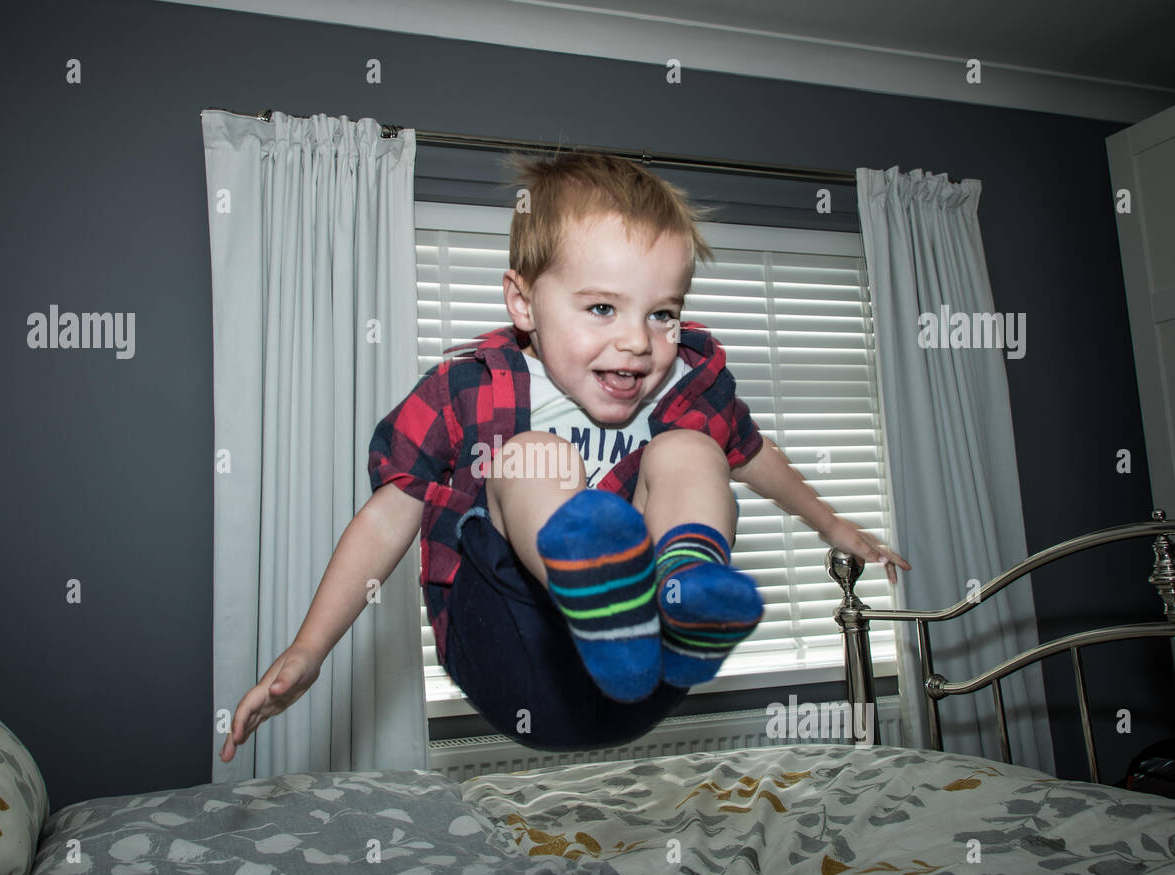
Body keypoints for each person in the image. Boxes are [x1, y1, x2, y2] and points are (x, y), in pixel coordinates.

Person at [219, 152, 910, 762]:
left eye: (661, 313)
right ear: (523, 300)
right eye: (603, 308)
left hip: (649, 678)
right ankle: (598, 595)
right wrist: (309, 649)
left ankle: (681, 587)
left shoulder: (683, 384)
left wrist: (832, 525)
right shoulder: (470, 392)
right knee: (531, 456)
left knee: (694, 446)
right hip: (519, 654)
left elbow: (754, 457)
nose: (639, 341)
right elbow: (384, 520)